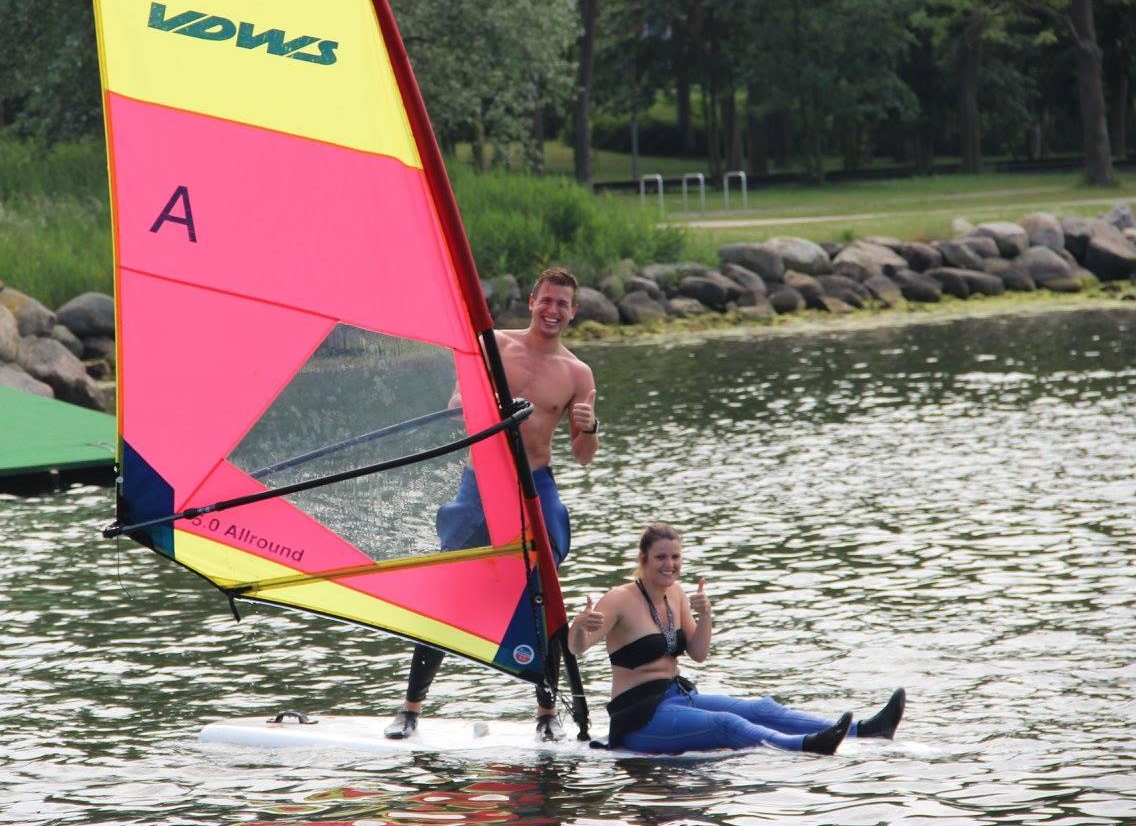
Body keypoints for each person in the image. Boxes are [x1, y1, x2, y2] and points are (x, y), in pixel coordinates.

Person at [385, 267, 599, 742]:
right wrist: (470, 404)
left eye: (563, 304)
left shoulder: (577, 373)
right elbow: (455, 405)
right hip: (481, 481)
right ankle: (410, 709)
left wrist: (589, 428)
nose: (553, 310)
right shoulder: (495, 345)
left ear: (574, 312)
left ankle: (547, 714)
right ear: (532, 301)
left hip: (535, 483)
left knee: (544, 594)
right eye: (547, 300)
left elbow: (583, 456)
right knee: (449, 589)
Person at [569, 523, 906, 755]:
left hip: (678, 696)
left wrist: (706, 615)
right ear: (643, 559)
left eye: (675, 557)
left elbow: (698, 653)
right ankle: (807, 745)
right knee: (726, 724)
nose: (669, 564)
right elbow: (576, 648)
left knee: (761, 708)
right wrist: (580, 625)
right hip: (639, 718)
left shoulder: (677, 594)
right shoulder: (620, 599)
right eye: (661, 557)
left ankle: (865, 730)